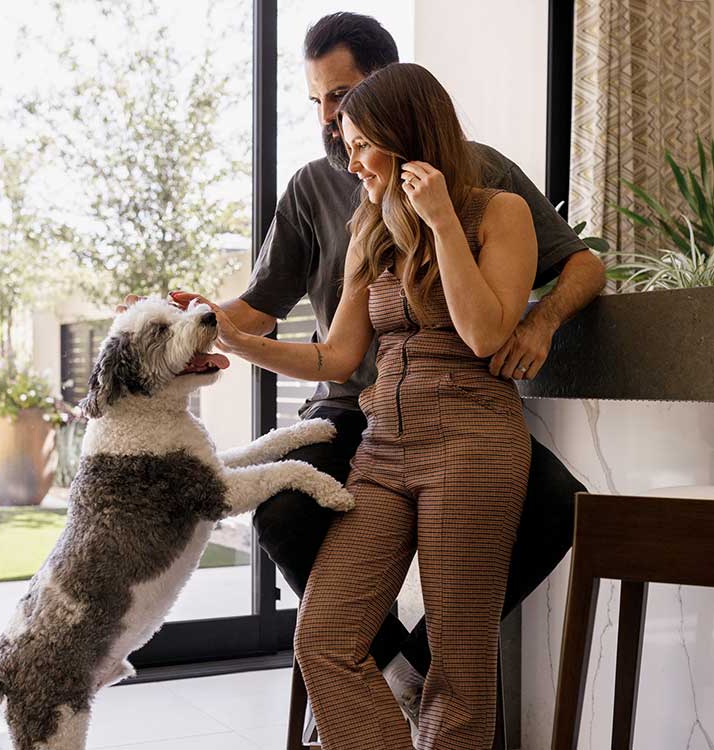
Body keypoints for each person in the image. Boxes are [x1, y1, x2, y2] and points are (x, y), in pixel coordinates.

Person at [119, 11, 605, 743]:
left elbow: (499, 320)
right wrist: (217, 330)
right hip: (374, 431)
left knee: (472, 650)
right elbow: (331, 354)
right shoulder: (351, 214)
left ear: (393, 107)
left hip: (470, 437)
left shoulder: (490, 196)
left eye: (348, 115)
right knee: (318, 625)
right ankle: (396, 680)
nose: (336, 135)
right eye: (323, 111)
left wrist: (455, 237)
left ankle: (426, 678)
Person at [193, 58, 538, 750]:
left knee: (460, 669)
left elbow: (486, 332)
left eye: (360, 145)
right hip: (384, 450)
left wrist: (440, 222)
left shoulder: (500, 213)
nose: (350, 164)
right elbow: (337, 357)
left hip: (473, 449)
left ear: (406, 135)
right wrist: (237, 338)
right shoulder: (369, 228)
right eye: (345, 146)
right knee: (323, 639)